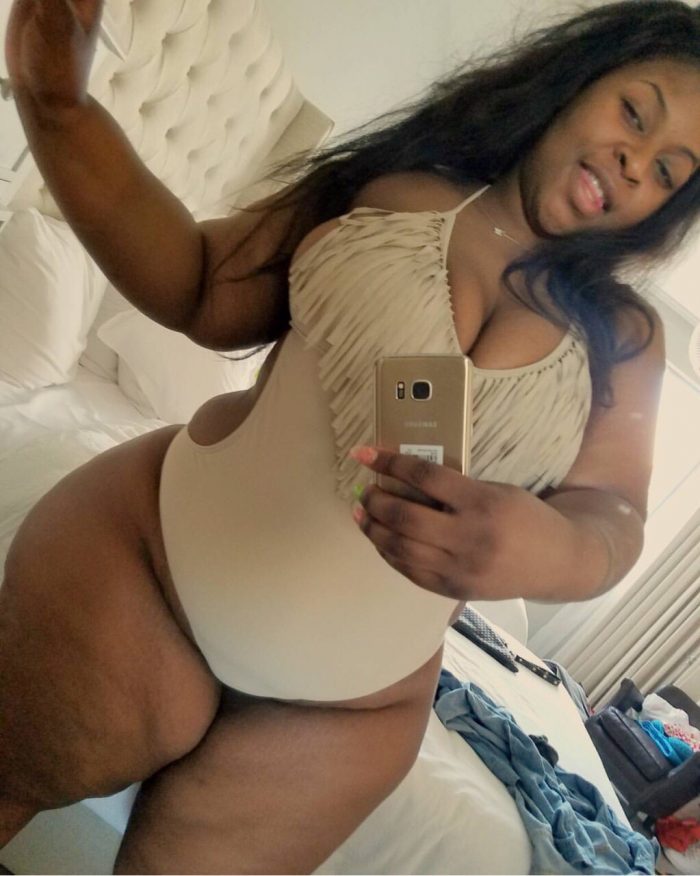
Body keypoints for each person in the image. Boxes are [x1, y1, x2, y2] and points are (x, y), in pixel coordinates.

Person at [1, 0, 699, 871]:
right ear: (576, 78)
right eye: (634, 113)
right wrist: (61, 108)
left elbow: (614, 514)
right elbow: (205, 285)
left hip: (349, 712)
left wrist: (546, 546)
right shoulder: (395, 184)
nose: (635, 162)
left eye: (668, 170)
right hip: (156, 563)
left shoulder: (624, 337)